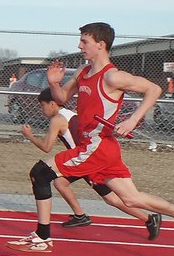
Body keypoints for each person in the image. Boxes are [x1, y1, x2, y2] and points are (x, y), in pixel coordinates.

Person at [7, 22, 174, 253]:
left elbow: (154, 89)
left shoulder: (113, 77)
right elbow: (62, 97)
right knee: (131, 199)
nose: (79, 45)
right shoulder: (83, 73)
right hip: (101, 147)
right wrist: (54, 82)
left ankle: (43, 237)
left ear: (101, 44)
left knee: (40, 173)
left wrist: (132, 120)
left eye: (84, 41)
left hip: (97, 145)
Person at [20, 88, 161, 239]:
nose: (42, 109)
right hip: (84, 158)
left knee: (113, 199)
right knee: (60, 182)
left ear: (53, 104)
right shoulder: (72, 114)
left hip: (85, 162)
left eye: (43, 105)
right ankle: (80, 215)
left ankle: (148, 218)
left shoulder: (58, 120)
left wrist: (29, 136)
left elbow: (46, 147)